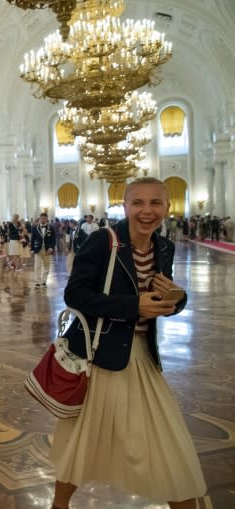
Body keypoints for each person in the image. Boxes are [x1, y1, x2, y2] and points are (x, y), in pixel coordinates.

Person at [49, 177, 206, 509]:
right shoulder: (102, 242)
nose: (147, 211)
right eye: (138, 203)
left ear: (167, 207)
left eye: (155, 203)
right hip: (102, 358)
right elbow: (75, 295)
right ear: (125, 206)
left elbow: (163, 296)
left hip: (143, 358)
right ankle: (59, 505)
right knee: (84, 440)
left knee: (167, 442)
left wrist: (177, 300)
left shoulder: (164, 247)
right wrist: (134, 306)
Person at [31, 212, 55, 287]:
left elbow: (53, 239)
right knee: (37, 265)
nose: (43, 220)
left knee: (46, 265)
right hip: (38, 249)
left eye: (44, 218)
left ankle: (44, 281)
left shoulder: (51, 228)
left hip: (47, 249)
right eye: (42, 218)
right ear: (39, 218)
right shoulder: (35, 227)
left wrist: (51, 248)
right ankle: (37, 282)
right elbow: (32, 238)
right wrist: (32, 249)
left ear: (47, 219)